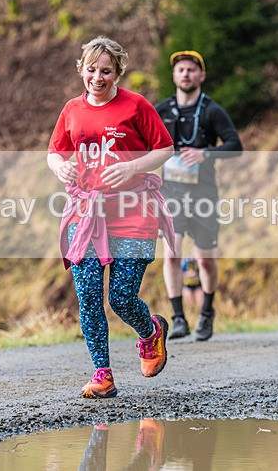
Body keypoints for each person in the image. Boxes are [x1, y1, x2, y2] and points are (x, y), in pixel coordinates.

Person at [48, 36, 175, 399]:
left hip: (133, 212)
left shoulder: (136, 106)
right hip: (87, 215)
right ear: (81, 70)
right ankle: (102, 373)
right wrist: (61, 168)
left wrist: (133, 165)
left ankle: (150, 332)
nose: (97, 77)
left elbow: (165, 147)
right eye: (91, 70)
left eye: (106, 71)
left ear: (118, 72)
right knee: (88, 296)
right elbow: (54, 153)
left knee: (121, 297)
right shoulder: (72, 109)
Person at [156, 50, 242, 341]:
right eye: (180, 69)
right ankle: (178, 317)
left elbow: (235, 145)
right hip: (171, 193)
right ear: (174, 75)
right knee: (171, 252)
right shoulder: (162, 110)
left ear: (201, 76)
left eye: (191, 70)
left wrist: (206, 153)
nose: (186, 74)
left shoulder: (211, 111)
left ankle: (207, 311)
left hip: (203, 194)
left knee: (205, 259)